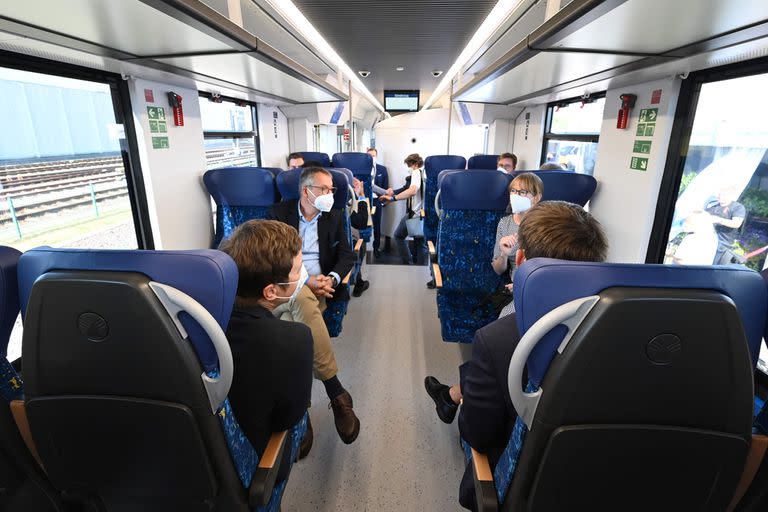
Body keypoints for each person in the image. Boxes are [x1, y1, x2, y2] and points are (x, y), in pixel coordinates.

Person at [423, 201, 608, 511]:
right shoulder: (627, 329)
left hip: (525, 483)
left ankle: (452, 395)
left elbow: (477, 434)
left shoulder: (500, 338)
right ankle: (451, 394)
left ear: (520, 259)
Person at [268, 167, 361, 444]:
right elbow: (274, 260)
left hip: (318, 289)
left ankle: (300, 413)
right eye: (324, 189)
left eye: (332, 189)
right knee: (300, 307)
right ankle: (336, 392)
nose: (330, 194)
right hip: (282, 286)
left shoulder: (333, 215)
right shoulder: (278, 214)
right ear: (306, 191)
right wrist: (306, 281)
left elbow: (346, 255)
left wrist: (331, 279)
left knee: (288, 327)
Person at [218, 220, 313, 478]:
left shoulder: (196, 326)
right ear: (271, 292)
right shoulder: (295, 340)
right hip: (258, 466)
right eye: (297, 270)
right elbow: (289, 419)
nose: (304, 274)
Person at [491, 173, 544, 317]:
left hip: (541, 282)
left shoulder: (546, 225)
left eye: (522, 192)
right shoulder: (505, 223)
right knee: (505, 318)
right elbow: (498, 270)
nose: (515, 196)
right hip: (518, 286)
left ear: (537, 198)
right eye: (513, 191)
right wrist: (503, 254)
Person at [380, 153, 426, 264]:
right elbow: (406, 188)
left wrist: (393, 198)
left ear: (415, 164)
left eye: (409, 166)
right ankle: (419, 268)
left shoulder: (416, 172)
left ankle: (409, 263)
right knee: (419, 242)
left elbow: (412, 190)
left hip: (414, 214)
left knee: (398, 236)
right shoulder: (424, 175)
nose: (409, 169)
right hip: (421, 214)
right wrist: (392, 193)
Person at [705, 186, 746, 264]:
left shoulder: (738, 207)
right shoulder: (713, 207)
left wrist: (718, 220)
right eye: (719, 194)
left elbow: (736, 223)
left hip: (724, 244)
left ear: (731, 196)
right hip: (708, 241)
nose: (719, 196)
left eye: (723, 194)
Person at [367, 147, 393, 256]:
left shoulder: (382, 169)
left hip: (377, 200)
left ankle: (376, 248)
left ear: (376, 157)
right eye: (369, 156)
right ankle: (363, 246)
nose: (371, 158)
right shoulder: (362, 170)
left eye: (373, 156)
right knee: (364, 224)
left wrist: (383, 202)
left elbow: (385, 187)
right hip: (366, 200)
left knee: (377, 225)